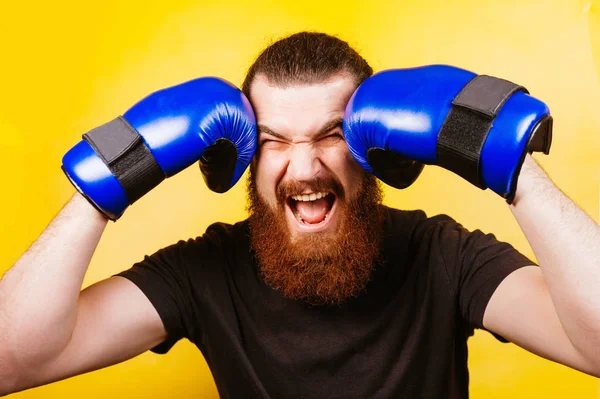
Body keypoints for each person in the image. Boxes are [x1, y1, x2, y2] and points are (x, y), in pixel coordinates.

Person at [0, 31, 598, 399]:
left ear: (377, 147)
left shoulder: (442, 255)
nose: (305, 166)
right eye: (273, 139)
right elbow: (11, 360)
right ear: (239, 155)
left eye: (332, 134)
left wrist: (504, 157)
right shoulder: (205, 272)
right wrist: (109, 177)